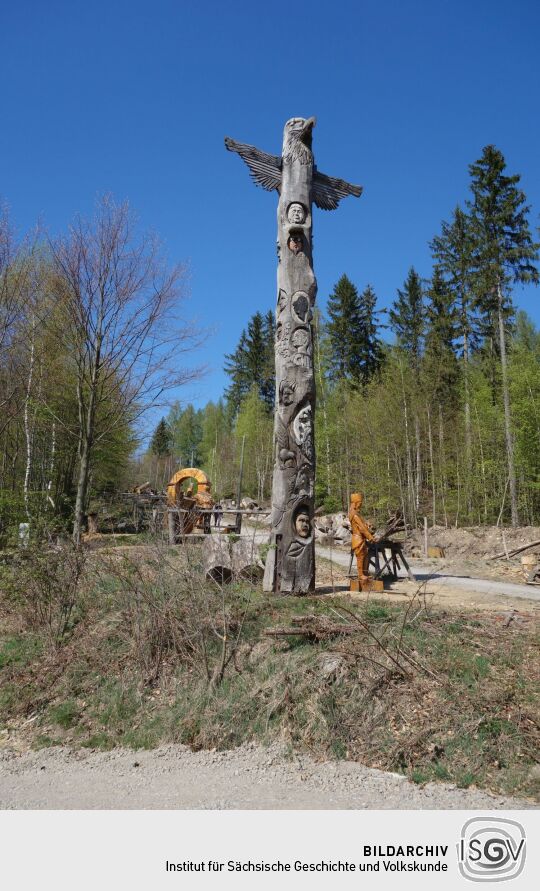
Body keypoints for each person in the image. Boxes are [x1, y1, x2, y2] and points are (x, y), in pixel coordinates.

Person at [349, 492, 375, 582]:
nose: (361, 504)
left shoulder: (355, 513)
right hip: (358, 539)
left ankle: (365, 573)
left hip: (360, 538)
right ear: (355, 503)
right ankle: (361, 575)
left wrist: (367, 525)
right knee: (360, 556)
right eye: (360, 502)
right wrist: (370, 537)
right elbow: (362, 528)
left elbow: (363, 526)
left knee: (365, 555)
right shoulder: (355, 515)